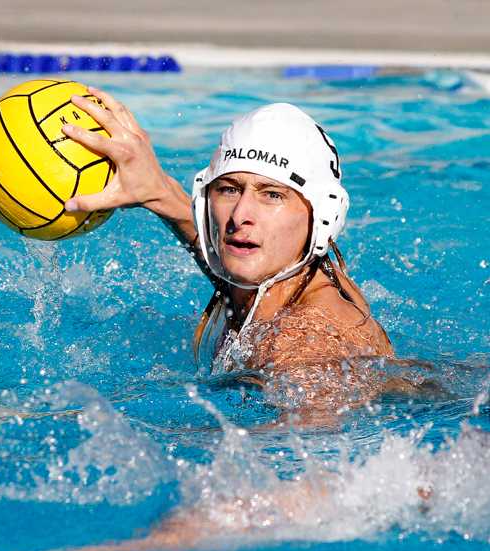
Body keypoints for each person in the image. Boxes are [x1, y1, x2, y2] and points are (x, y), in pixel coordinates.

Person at [61, 88, 394, 421]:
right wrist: (158, 192)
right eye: (229, 189)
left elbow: (311, 439)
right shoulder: (286, 281)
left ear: (322, 218)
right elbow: (224, 258)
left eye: (272, 195)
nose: (239, 215)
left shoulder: (301, 338)